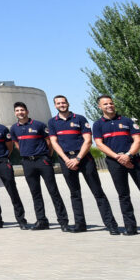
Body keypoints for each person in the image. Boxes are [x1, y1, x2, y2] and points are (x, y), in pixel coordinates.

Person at [92, 95, 140, 237]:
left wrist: (128, 155)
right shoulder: (98, 125)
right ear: (100, 107)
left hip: (134, 160)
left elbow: (138, 140)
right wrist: (117, 157)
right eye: (105, 104)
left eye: (111, 103)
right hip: (114, 162)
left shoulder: (127, 121)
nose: (109, 106)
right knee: (123, 195)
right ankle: (130, 227)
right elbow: (99, 144)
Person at [47, 94, 118, 234]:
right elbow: (54, 143)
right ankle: (80, 224)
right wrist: (66, 159)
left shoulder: (80, 119)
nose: (62, 105)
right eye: (59, 103)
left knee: (98, 192)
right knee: (75, 194)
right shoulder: (52, 122)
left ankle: (111, 224)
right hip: (66, 160)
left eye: (64, 102)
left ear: (68, 103)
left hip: (84, 159)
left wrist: (78, 158)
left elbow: (87, 140)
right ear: (55, 106)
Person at [11, 102, 70, 231]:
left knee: (53, 191)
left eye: (22, 110)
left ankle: (63, 221)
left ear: (27, 111)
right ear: (15, 113)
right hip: (27, 163)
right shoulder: (14, 128)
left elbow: (49, 142)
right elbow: (16, 144)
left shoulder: (39, 125)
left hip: (42, 161)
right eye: (17, 110)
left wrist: (46, 157)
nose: (20, 112)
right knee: (35, 193)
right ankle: (41, 220)